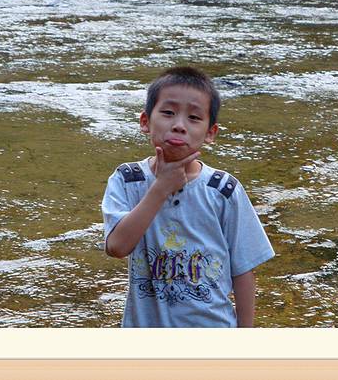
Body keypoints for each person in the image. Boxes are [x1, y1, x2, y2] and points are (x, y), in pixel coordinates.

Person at [101, 66, 275, 327]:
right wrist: (161, 188)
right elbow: (117, 246)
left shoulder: (222, 190)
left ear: (210, 133)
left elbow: (243, 269)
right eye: (168, 113)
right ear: (145, 121)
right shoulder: (128, 180)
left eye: (194, 118)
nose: (179, 125)